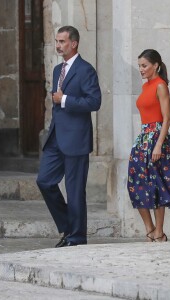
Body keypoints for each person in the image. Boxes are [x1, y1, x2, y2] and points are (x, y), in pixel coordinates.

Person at [36, 26, 101, 247]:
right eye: (56, 41)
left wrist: (64, 100)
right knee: (44, 181)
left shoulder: (86, 70)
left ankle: (76, 238)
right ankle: (68, 226)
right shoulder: (57, 70)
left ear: (74, 43)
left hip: (76, 139)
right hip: (55, 138)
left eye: (62, 41)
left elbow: (94, 102)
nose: (58, 45)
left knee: (74, 192)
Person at [127, 49, 170, 242]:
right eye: (139, 65)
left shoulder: (160, 86)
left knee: (156, 184)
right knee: (135, 183)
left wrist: (158, 145)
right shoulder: (145, 86)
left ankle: (159, 232)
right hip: (143, 138)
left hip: (157, 138)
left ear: (156, 65)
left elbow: (167, 119)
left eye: (144, 65)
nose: (141, 69)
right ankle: (150, 228)